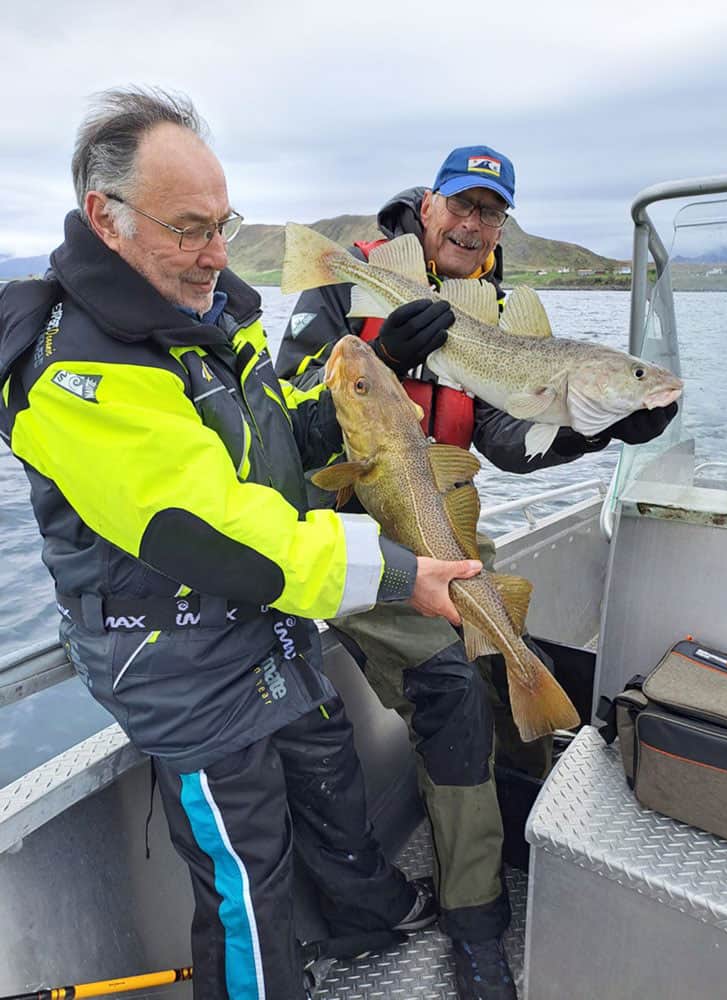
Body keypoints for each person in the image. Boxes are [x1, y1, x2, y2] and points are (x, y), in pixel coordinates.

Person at [0, 91, 490, 1000]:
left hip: (261, 622)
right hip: (172, 652)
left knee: (328, 759)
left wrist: (355, 404)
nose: (216, 254)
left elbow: (270, 439)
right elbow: (207, 526)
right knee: (246, 865)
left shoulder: (213, 316)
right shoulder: (76, 373)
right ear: (106, 218)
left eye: (222, 224)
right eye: (189, 229)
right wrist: (391, 572)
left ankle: (364, 919)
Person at [276, 144, 678, 999]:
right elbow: (285, 429)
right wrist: (392, 352)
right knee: (452, 683)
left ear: (501, 228)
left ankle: (529, 819)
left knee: (531, 662)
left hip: (444, 528)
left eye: (491, 212)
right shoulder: (344, 287)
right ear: (427, 205)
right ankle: (477, 922)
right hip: (356, 545)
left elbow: (506, 441)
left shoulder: (497, 317)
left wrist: (598, 426)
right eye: (461, 203)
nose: (473, 223)